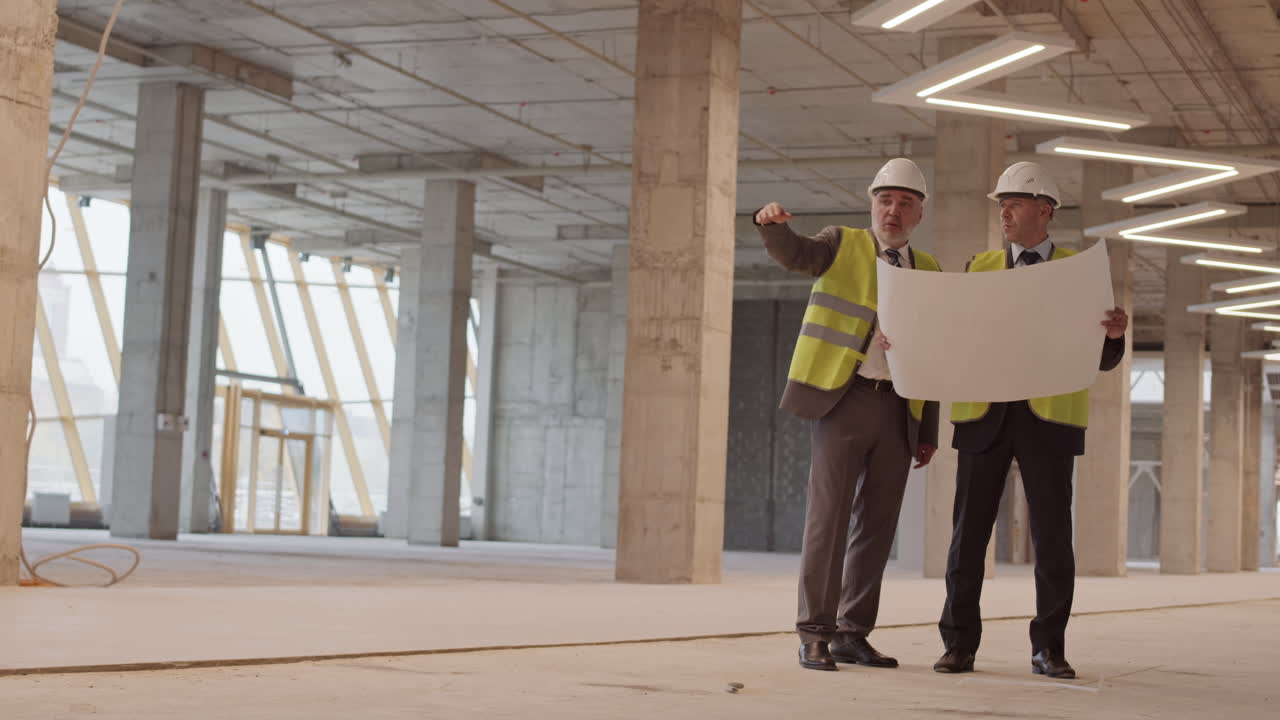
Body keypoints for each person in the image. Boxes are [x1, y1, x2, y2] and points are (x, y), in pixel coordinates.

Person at [923, 161, 1129, 679]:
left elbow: (1101, 361)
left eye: (1013, 204)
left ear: (1045, 210)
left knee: (1054, 541)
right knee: (967, 538)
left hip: (1049, 421)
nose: (1005, 214)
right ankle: (959, 644)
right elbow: (956, 340)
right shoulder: (979, 267)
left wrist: (1113, 335)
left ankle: (1049, 649)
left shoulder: (1080, 274)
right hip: (984, 417)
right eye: (1001, 205)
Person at [754, 158, 941, 672]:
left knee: (877, 526)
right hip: (843, 398)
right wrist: (772, 226)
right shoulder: (842, 244)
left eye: (906, 203)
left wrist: (927, 430)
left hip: (899, 408)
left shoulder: (930, 270)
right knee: (828, 520)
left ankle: (852, 632)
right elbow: (798, 255)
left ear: (919, 214)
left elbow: (936, 353)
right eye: (885, 201)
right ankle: (814, 631)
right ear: (871, 204)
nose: (894, 211)